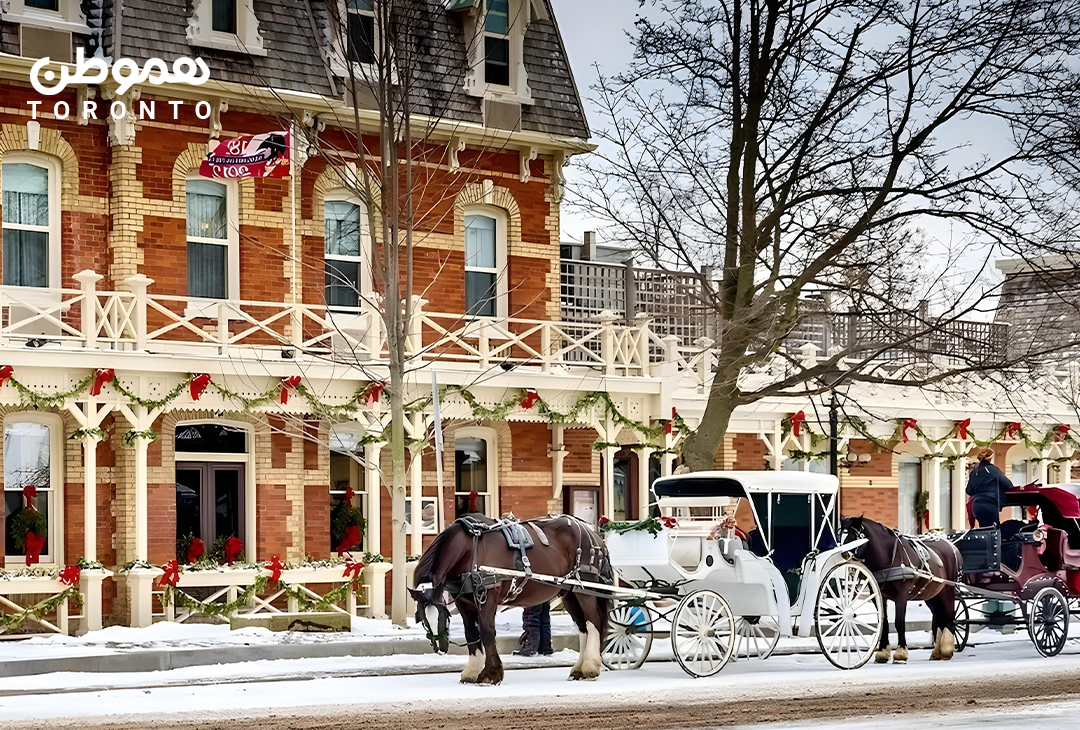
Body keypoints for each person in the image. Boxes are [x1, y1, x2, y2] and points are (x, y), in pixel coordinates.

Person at [966, 448, 1013, 528]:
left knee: (984, 529)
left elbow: (969, 491)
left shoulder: (974, 472)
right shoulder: (994, 470)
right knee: (993, 530)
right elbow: (1008, 485)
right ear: (991, 458)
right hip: (990, 504)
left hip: (977, 506)